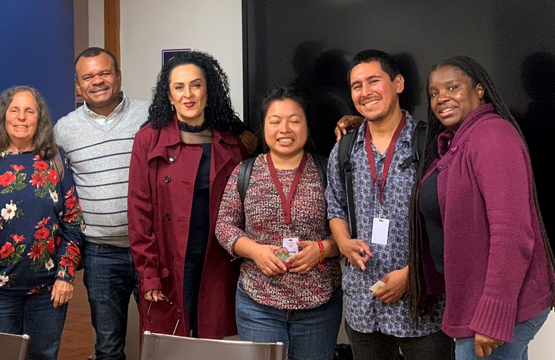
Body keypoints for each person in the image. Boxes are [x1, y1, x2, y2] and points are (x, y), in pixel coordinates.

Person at [408, 56, 555, 360]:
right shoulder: (458, 141)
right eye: (434, 93)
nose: (442, 98)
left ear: (479, 90)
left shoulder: (492, 136)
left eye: (452, 87)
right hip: (479, 301)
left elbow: (512, 235)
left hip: (500, 308)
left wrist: (492, 317)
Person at [325, 50, 451, 360]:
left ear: (397, 84)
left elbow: (453, 221)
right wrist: (343, 242)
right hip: (363, 306)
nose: (365, 92)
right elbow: (336, 207)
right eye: (356, 86)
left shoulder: (431, 145)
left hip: (422, 306)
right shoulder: (343, 150)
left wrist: (413, 275)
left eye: (373, 81)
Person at [0, 86, 83, 360]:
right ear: (3, 116)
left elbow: (73, 222)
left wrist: (66, 275)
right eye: (14, 110)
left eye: (30, 111)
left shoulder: (55, 160)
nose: (22, 117)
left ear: (40, 119)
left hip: (47, 293)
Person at [216, 87, 342, 360]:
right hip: (257, 305)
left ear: (307, 126)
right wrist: (255, 251)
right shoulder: (245, 171)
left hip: (319, 306)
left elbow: (349, 230)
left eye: (294, 120)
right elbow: (224, 226)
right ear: (263, 127)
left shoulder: (328, 170)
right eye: (275, 121)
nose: (285, 129)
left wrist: (323, 249)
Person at [128, 51, 247, 339]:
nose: (188, 94)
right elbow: (139, 211)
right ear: (169, 96)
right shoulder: (149, 138)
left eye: (196, 85)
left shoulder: (231, 139)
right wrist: (149, 272)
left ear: (209, 91)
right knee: (171, 342)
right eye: (178, 87)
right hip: (169, 262)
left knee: (212, 342)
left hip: (217, 261)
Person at [53, 47, 149, 360]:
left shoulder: (151, 116)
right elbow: (43, 176)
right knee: (108, 346)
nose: (98, 81)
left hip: (152, 249)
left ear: (118, 77)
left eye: (104, 73)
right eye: (88, 77)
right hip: (100, 253)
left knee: (162, 338)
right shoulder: (64, 130)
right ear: (78, 87)